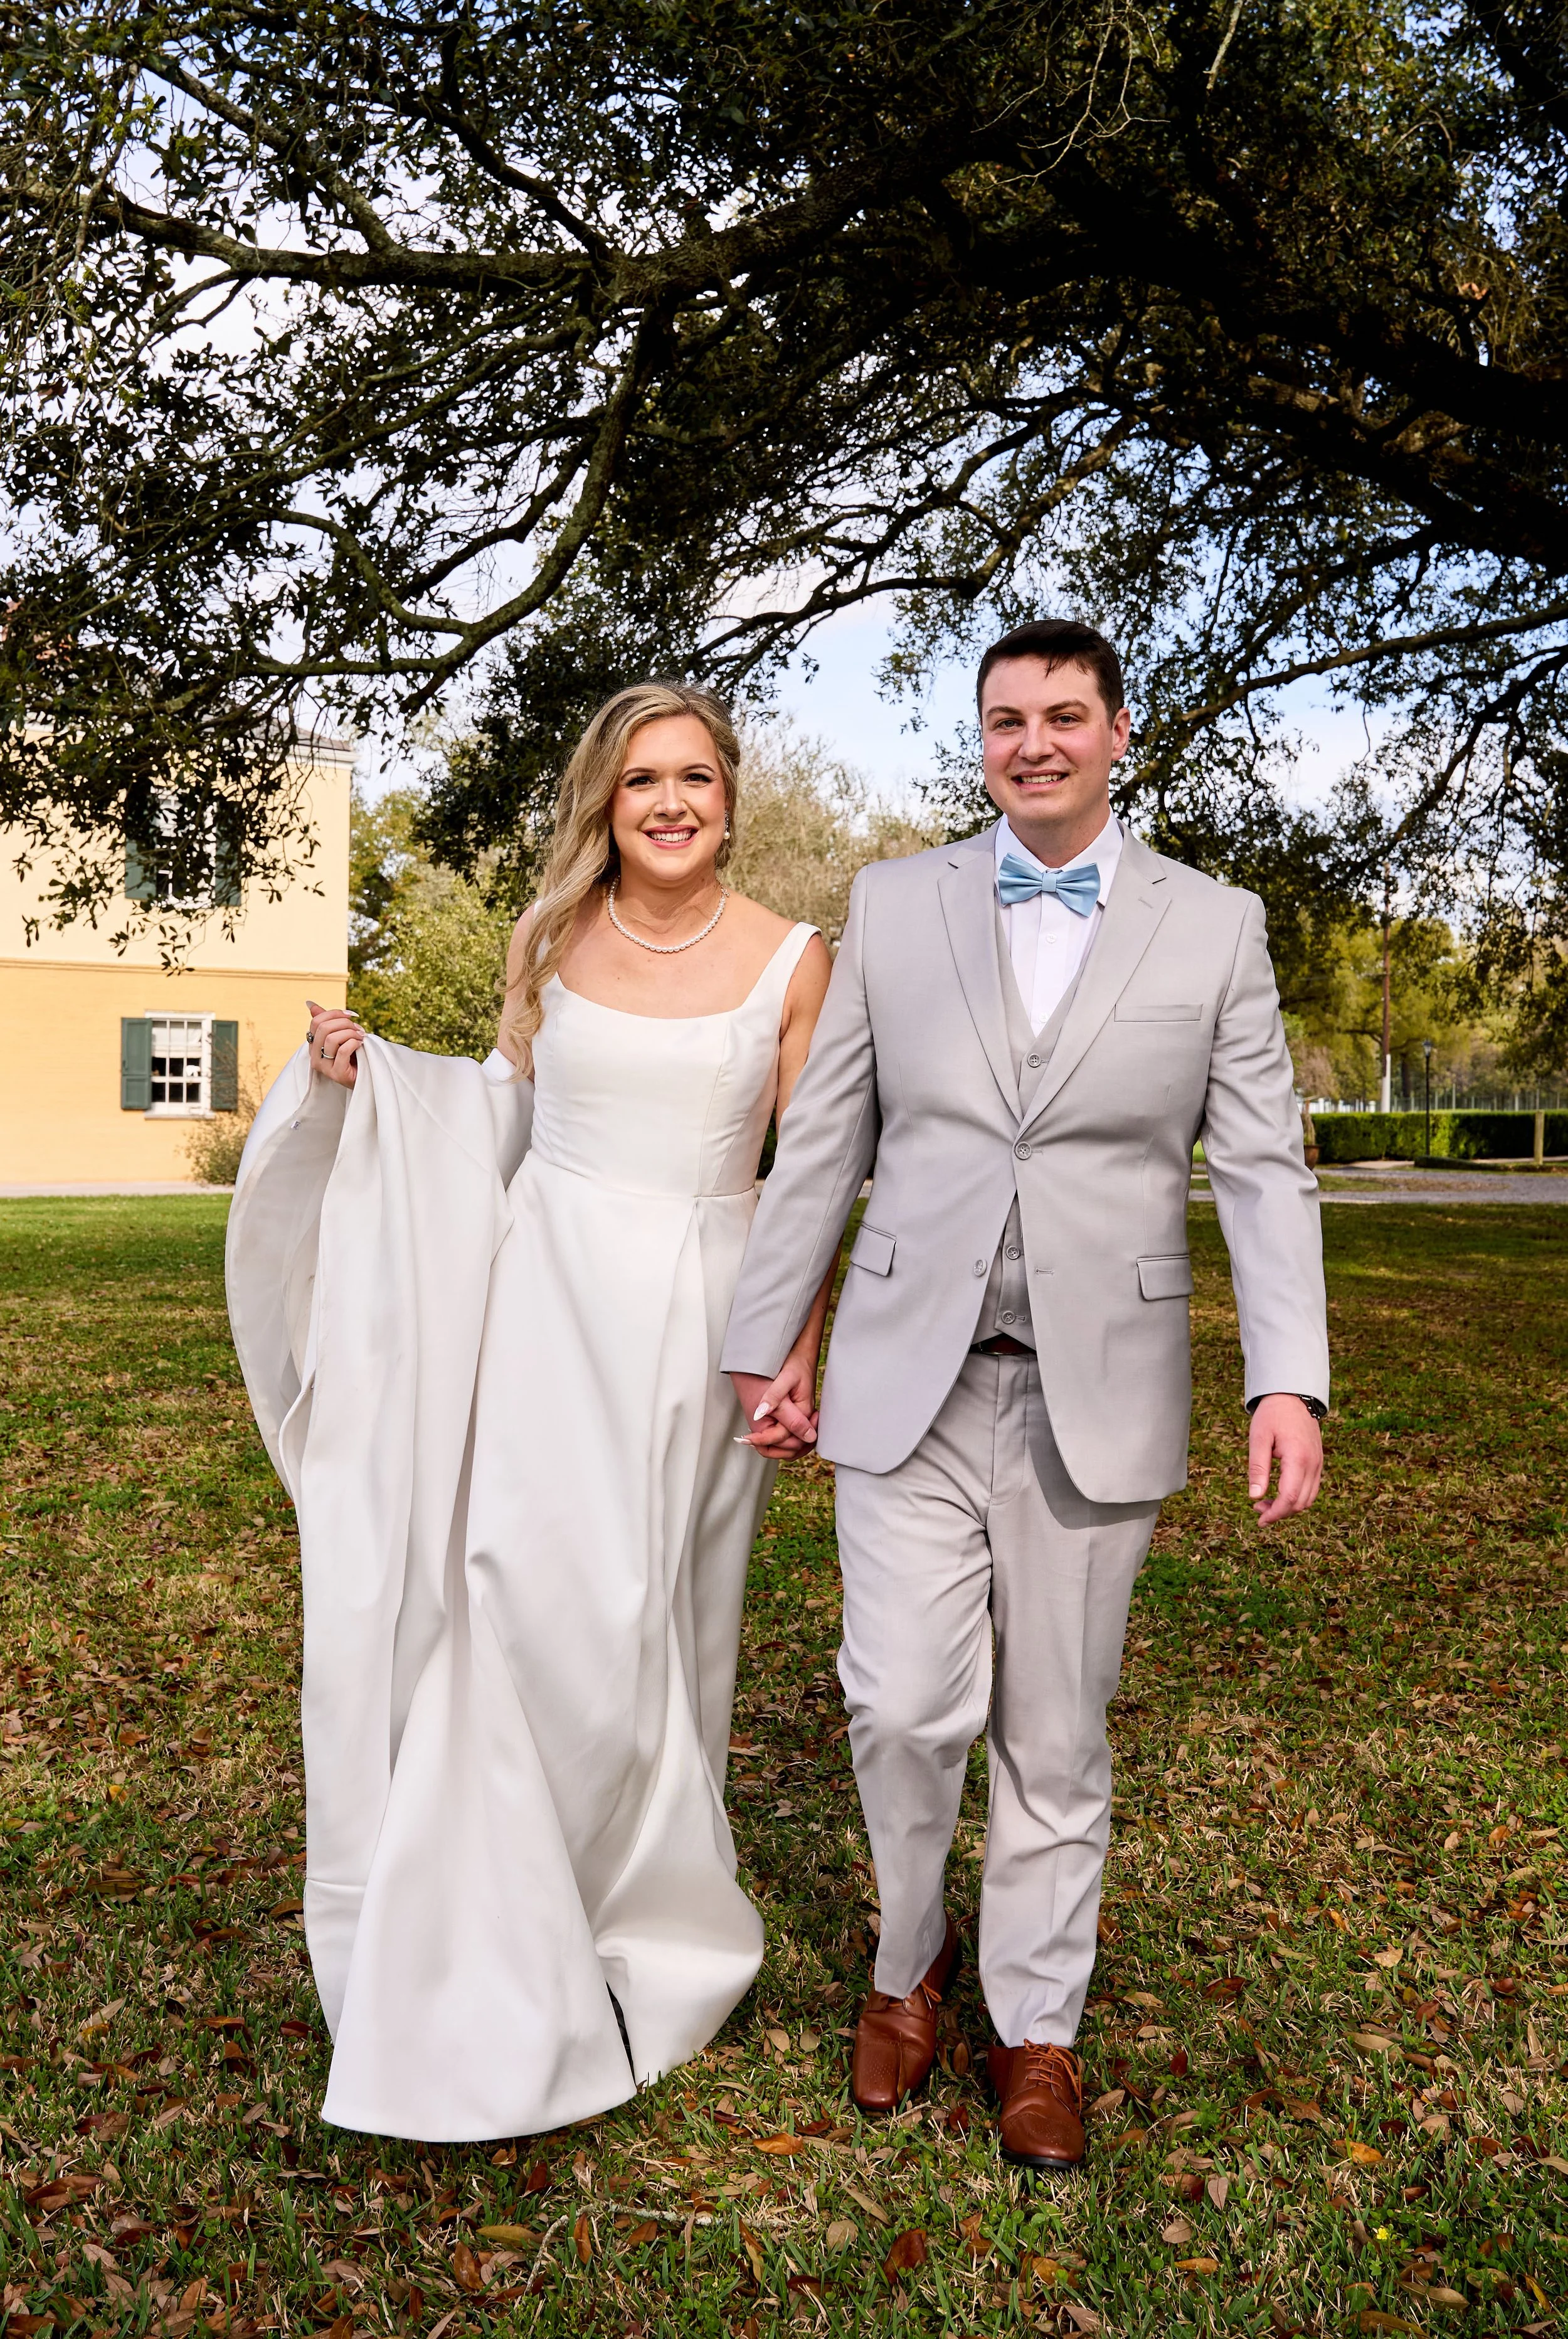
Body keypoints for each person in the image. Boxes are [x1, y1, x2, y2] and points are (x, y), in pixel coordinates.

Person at [722, 618, 1328, 2170]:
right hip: (902, 1382)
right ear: (979, 740)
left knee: (1055, 1736)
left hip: (1096, 1394)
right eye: (1005, 720)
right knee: (899, 1706)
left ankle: (1036, 2028)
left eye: (1065, 716)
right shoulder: (891, 905)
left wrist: (1288, 1379)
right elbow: (826, 1145)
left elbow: (1259, 1168)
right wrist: (762, 1334)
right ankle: (904, 1958)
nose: (1034, 742)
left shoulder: (1215, 927)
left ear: (1121, 731)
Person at [226, 682, 831, 2141]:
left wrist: (795, 1342)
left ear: (730, 795)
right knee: (508, 1590)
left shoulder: (799, 958)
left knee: (658, 1614)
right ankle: (482, 1924)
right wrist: (375, 1087)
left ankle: (634, 1903)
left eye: (694, 776)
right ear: (603, 804)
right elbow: (497, 1114)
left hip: (705, 1311)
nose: (670, 803)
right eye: (640, 783)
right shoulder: (547, 940)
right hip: (543, 1296)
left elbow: (811, 1169)